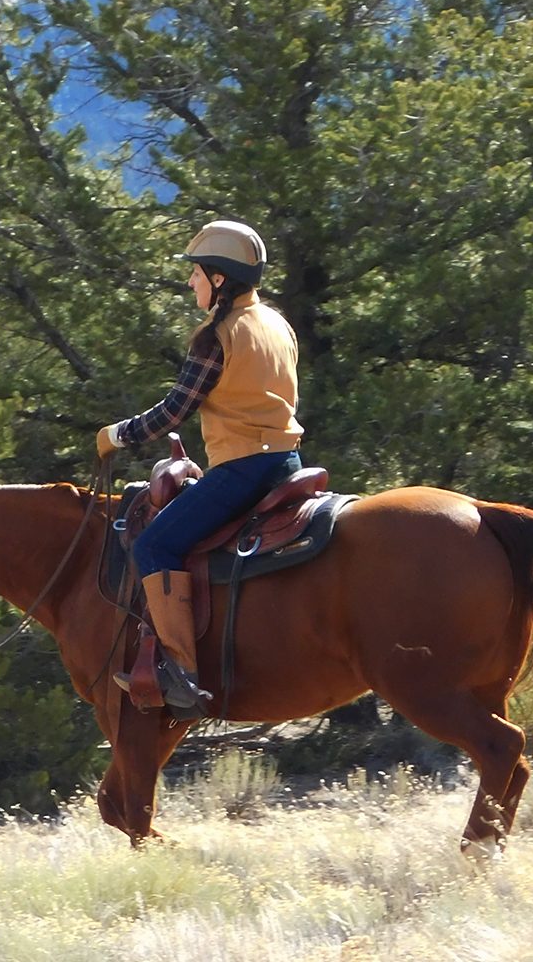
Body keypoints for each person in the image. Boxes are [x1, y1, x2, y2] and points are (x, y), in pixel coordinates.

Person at [96, 220, 304, 713]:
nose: (190, 282)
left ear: (220, 279)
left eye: (196, 273)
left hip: (243, 469)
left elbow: (174, 411)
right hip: (286, 461)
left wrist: (116, 435)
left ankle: (179, 672)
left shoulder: (217, 336)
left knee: (155, 544)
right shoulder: (277, 324)